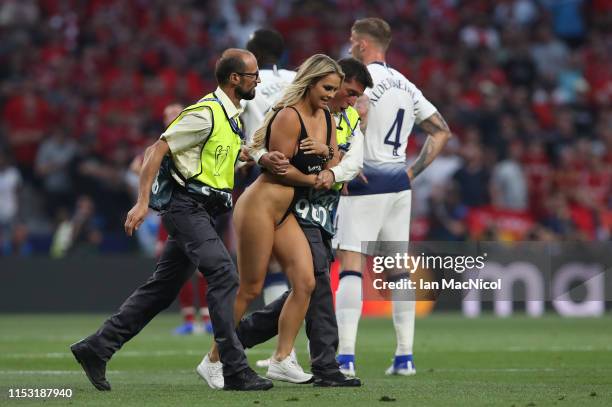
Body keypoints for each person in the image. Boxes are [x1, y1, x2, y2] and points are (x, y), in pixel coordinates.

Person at [69, 48, 273, 392]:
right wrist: (142, 202)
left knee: (161, 290)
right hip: (186, 208)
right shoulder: (205, 112)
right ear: (235, 79)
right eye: (253, 75)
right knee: (224, 273)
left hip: (203, 211)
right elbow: (156, 149)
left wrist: (242, 165)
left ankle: (96, 348)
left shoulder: (231, 116)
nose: (259, 80)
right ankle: (234, 369)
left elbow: (210, 165)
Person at [213, 57, 373, 388]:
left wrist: (329, 165)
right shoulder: (288, 112)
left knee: (307, 284)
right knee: (259, 286)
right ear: (314, 83)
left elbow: (344, 160)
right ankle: (220, 358)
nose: (338, 96)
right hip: (273, 204)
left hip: (302, 210)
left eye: (341, 91)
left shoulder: (336, 118)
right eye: (333, 89)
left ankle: (273, 354)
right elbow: (270, 159)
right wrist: (317, 176)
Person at [334, 18, 453, 377]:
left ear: (362, 45)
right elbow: (441, 132)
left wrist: (345, 160)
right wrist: (412, 172)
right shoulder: (406, 84)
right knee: (398, 271)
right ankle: (404, 358)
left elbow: (360, 114)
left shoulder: (359, 83)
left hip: (365, 181)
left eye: (352, 40)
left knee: (352, 268)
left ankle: (346, 359)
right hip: (399, 183)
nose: (350, 45)